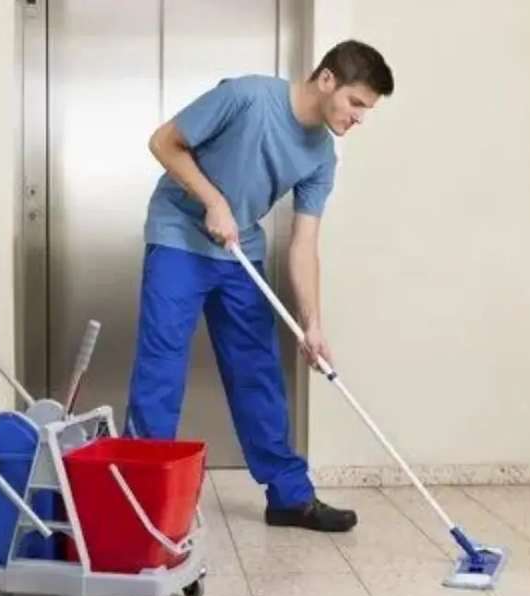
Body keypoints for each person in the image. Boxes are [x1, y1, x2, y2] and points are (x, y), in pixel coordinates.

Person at [125, 40, 394, 532]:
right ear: (327, 79)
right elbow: (164, 141)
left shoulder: (322, 159)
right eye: (356, 103)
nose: (360, 118)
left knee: (258, 372)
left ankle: (289, 497)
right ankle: (139, 502)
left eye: (367, 110)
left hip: (239, 249)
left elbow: (304, 245)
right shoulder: (248, 97)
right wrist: (212, 199)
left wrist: (313, 326)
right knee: (161, 366)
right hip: (178, 236)